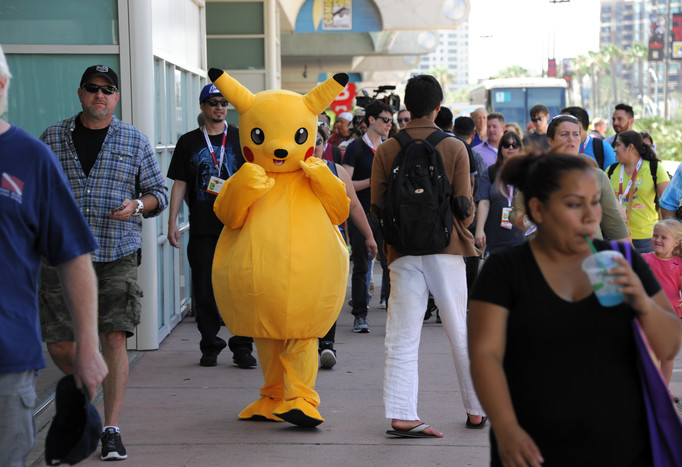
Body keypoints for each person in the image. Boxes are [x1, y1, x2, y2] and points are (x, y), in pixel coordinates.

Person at [469, 152, 682, 466]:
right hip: (532, 442)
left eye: (594, 201)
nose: (590, 215)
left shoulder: (620, 260)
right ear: (538, 209)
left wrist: (639, 298)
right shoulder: (506, 269)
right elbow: (484, 354)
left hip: (620, 441)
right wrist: (505, 426)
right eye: (573, 203)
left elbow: (669, 344)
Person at [40, 64, 168, 461]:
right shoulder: (52, 138)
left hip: (116, 253)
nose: (100, 95)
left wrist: (137, 206)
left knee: (114, 338)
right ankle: (85, 396)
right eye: (92, 88)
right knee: (62, 344)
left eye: (107, 89)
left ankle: (110, 428)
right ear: (80, 93)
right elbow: (35, 192)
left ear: (116, 97)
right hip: (62, 255)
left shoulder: (134, 140)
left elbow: (158, 193)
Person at [0, 45, 108, 467]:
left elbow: (73, 257)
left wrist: (87, 346)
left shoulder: (31, 157)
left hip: (6, 359)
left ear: (3, 85)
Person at [371, 74, 485, 438]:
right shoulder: (453, 147)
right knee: (459, 330)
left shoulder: (388, 149)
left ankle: (403, 413)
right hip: (447, 249)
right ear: (438, 107)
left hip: (402, 252)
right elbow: (465, 208)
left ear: (407, 106)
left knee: (402, 335)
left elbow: (376, 205)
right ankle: (476, 410)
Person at [167, 84, 256, 369]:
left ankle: (242, 346)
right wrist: (172, 221)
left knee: (241, 289)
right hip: (203, 227)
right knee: (204, 289)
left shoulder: (242, 138)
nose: (219, 107)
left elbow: (257, 179)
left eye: (223, 103)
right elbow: (180, 182)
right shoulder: (189, 142)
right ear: (203, 107)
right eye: (213, 102)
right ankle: (210, 345)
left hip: (238, 225)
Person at [314, 125, 377, 369]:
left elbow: (354, 207)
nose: (314, 148)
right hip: (298, 247)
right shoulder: (290, 172)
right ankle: (303, 344)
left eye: (318, 142)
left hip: (330, 244)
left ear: (325, 144)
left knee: (328, 296)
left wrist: (369, 236)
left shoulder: (336, 171)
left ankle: (327, 344)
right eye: (308, 141)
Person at [511, 115, 630, 244]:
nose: (571, 139)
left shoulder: (597, 176)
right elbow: (516, 216)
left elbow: (615, 225)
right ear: (550, 140)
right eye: (564, 134)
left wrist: (630, 258)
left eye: (575, 134)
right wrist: (527, 220)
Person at [343, 100, 393, 333]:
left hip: (387, 214)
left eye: (391, 121)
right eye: (385, 120)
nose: (389, 125)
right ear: (371, 120)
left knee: (391, 265)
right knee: (363, 266)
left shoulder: (389, 148)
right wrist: (372, 182)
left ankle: (395, 317)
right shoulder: (355, 148)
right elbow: (346, 183)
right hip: (361, 213)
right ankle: (360, 315)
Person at [609, 130, 669, 253]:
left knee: (644, 272)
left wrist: (667, 234)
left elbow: (667, 202)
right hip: (617, 236)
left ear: (630, 147)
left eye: (618, 145)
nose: (614, 149)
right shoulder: (611, 170)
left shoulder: (655, 168)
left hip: (646, 238)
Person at [642, 219, 682, 401]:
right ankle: (649, 388)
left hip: (671, 317)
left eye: (663, 237)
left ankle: (664, 390)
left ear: (676, 242)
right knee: (650, 354)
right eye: (655, 236)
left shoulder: (679, 264)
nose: (657, 240)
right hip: (648, 315)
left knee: (667, 355)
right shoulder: (644, 259)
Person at [475, 131, 526, 256]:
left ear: (520, 147)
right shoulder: (490, 172)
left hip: (524, 237)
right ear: (500, 148)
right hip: (495, 237)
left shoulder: (529, 171)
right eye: (506, 144)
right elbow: (484, 203)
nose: (510, 148)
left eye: (515, 145)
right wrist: (479, 229)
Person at [561, 106, 617, 171]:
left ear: (578, 124)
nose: (559, 125)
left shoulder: (602, 148)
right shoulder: (557, 146)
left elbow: (613, 178)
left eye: (563, 122)